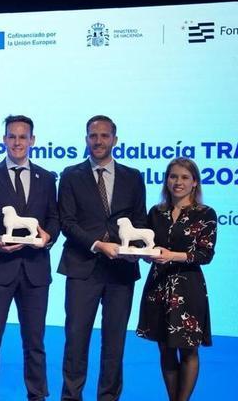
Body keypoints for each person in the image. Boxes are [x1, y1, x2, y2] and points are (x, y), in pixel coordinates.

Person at [58, 115, 147, 401]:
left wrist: (136, 251)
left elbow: (140, 220)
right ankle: (71, 397)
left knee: (115, 342)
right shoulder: (70, 175)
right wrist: (97, 244)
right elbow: (67, 222)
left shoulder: (133, 177)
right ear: (86, 139)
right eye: (93, 136)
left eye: (104, 135)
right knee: (76, 340)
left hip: (121, 271)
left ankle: (108, 397)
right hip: (82, 267)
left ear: (115, 140)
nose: (98, 141)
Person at [0, 116, 60, 401]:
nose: (17, 142)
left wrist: (48, 236)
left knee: (35, 342)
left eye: (23, 137)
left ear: (32, 140)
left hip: (35, 270)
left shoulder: (47, 178)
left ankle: (37, 395)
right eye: (12, 136)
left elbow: (54, 219)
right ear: (4, 140)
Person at [136, 158, 216, 401]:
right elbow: (147, 246)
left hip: (188, 288)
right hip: (158, 286)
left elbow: (205, 255)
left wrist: (172, 255)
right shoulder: (156, 212)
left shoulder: (205, 214)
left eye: (184, 177)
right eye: (173, 176)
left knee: (188, 350)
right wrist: (146, 255)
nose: (178, 182)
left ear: (194, 182)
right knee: (165, 348)